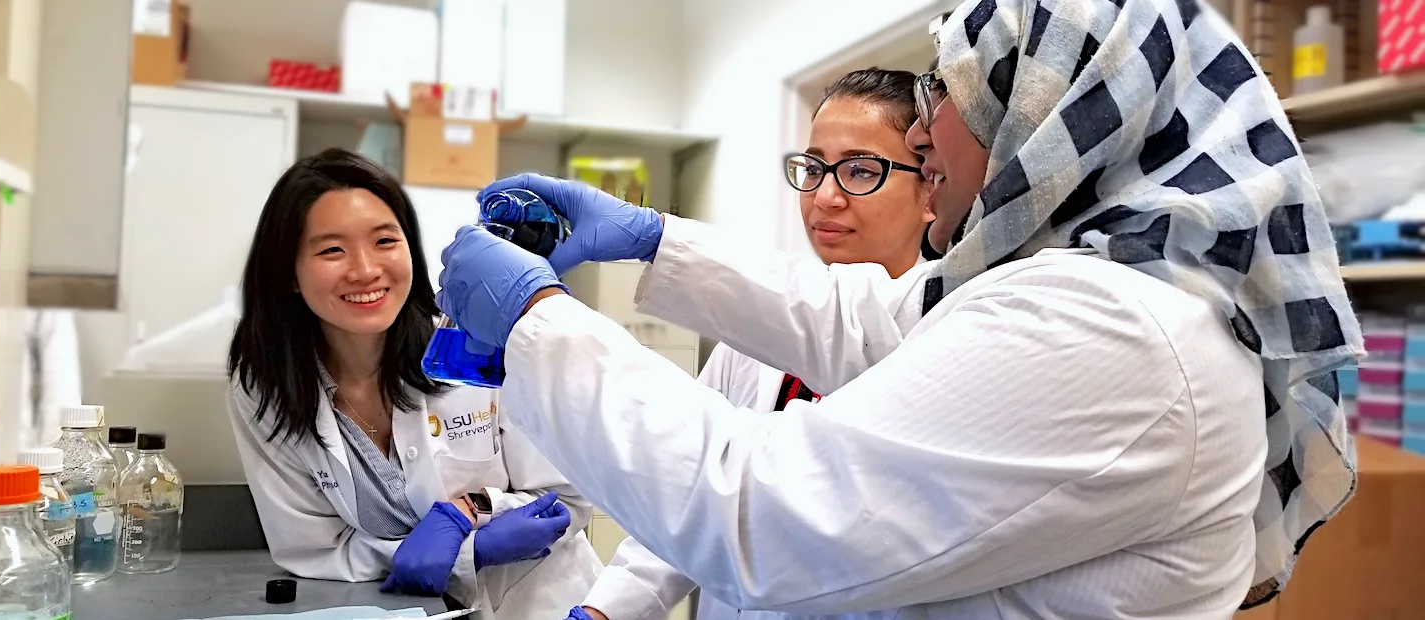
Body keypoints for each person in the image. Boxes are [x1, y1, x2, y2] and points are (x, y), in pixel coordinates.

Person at [434, 0, 1364, 617]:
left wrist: (535, 318)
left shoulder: (1114, 326)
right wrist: (647, 237)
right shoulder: (1071, 283)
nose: (923, 133)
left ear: (1045, 109)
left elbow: (755, 508)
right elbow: (862, 322)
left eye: (944, 97)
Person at [579, 68, 933, 620]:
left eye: (860, 171)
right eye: (814, 169)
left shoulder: (946, 339)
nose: (826, 197)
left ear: (931, 186)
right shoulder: (753, 339)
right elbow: (690, 493)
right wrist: (603, 611)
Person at [225, 148, 601, 620]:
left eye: (385, 241)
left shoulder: (474, 341)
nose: (365, 269)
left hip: (543, 603)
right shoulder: (266, 387)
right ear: (289, 273)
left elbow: (565, 498)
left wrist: (469, 512)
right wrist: (459, 553)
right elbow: (310, 549)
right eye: (331, 249)